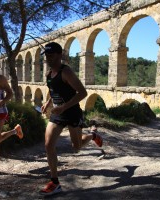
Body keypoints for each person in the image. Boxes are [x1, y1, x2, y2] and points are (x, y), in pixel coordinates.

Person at [39, 42, 103, 196]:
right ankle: (55, 182)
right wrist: (47, 103)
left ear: (60, 55)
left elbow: (82, 93)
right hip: (57, 114)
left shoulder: (66, 71)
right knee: (48, 144)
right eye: (46, 56)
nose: (48, 59)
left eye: (51, 56)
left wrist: (64, 106)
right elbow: (52, 89)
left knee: (77, 147)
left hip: (72, 112)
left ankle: (93, 135)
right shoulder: (48, 74)